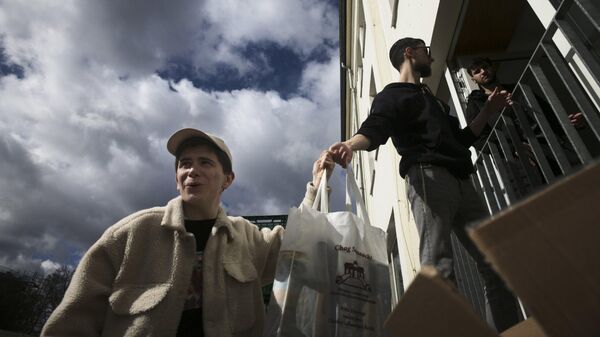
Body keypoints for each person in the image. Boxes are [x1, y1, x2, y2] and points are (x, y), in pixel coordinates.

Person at [41, 128, 334, 337]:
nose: (192, 171)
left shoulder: (247, 237)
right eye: (185, 164)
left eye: (205, 162)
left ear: (228, 179)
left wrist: (316, 184)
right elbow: (73, 320)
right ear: (176, 177)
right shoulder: (132, 233)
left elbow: (299, 240)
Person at [328, 38, 519, 332]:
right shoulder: (393, 95)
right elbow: (377, 125)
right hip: (429, 178)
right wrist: (351, 145)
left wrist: (488, 111)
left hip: (463, 182)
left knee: (497, 262)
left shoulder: (436, 102)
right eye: (425, 51)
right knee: (439, 267)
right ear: (409, 53)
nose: (430, 57)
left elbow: (463, 139)